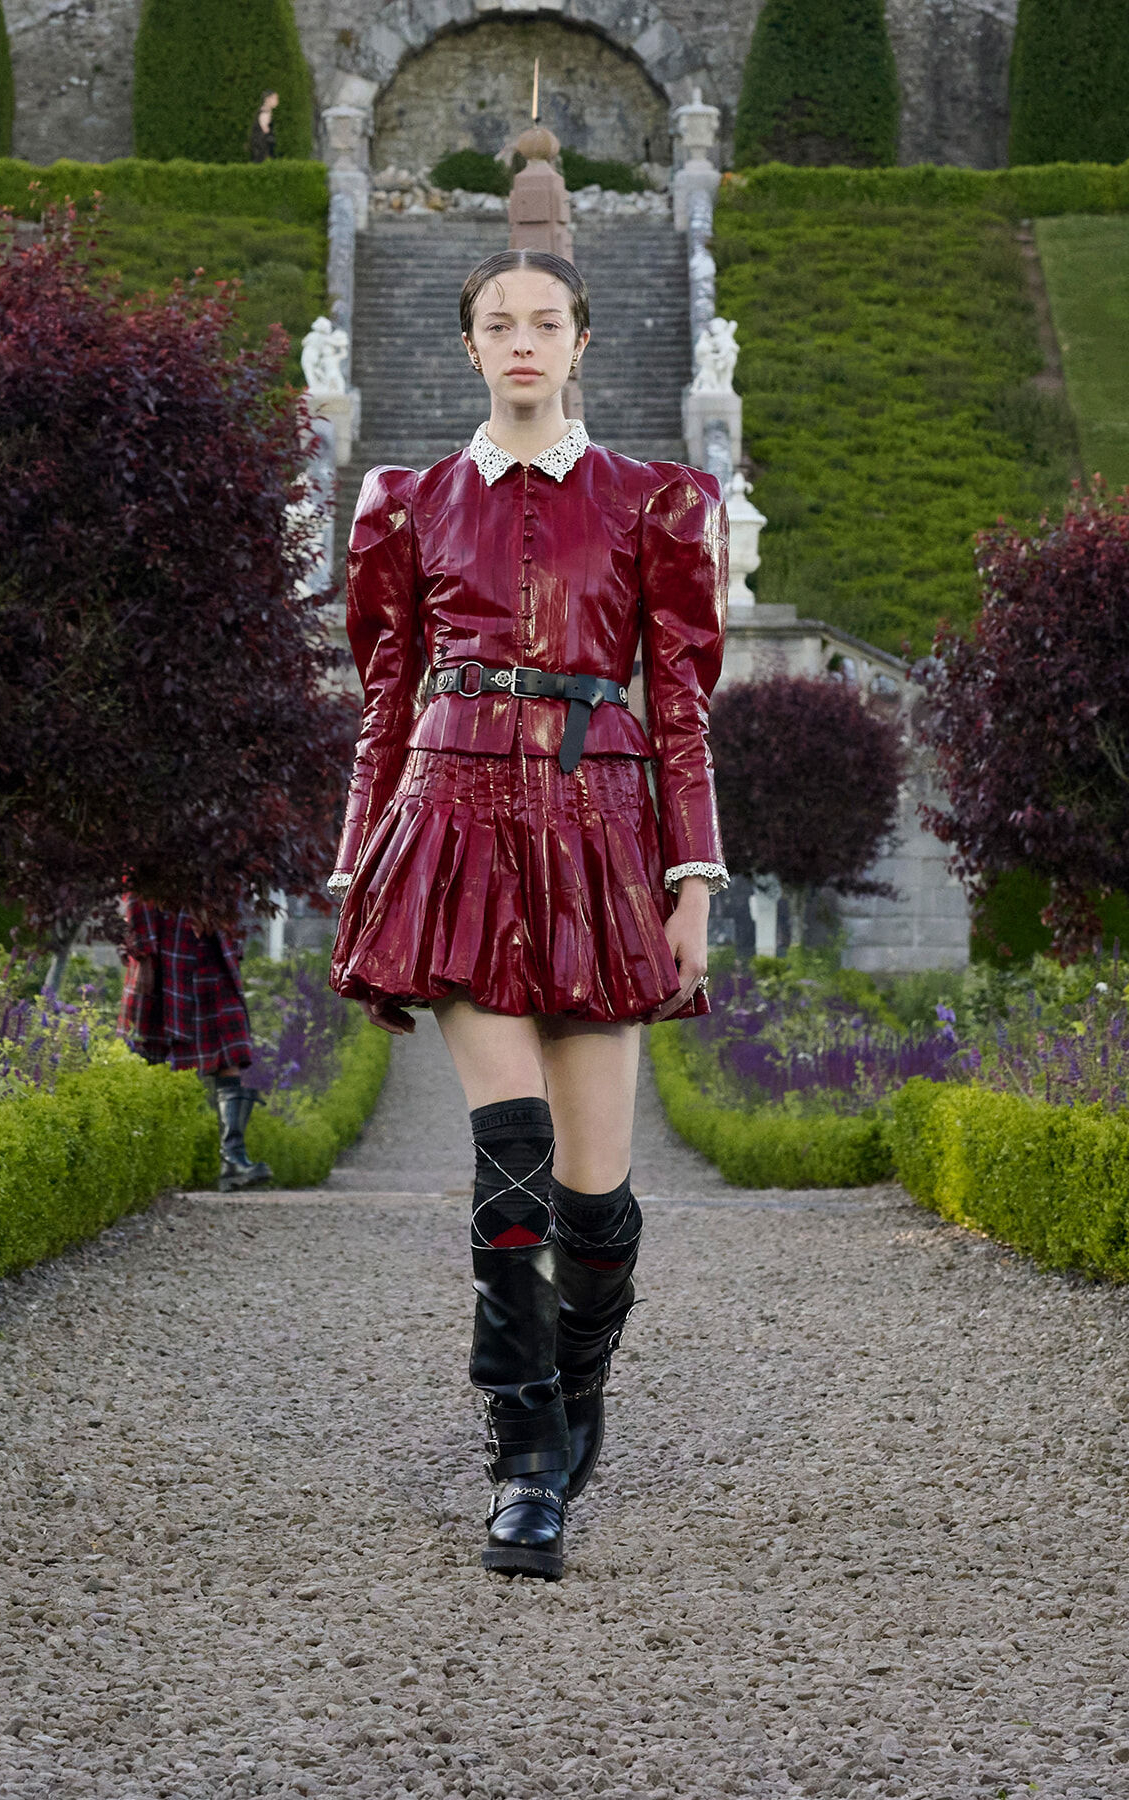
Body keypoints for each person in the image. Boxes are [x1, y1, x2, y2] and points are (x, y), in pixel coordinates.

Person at [327, 249, 728, 1579]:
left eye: (544, 321)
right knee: (510, 1161)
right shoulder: (407, 504)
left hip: (601, 843)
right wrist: (359, 864)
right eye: (497, 322)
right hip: (452, 831)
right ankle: (524, 1458)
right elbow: (385, 700)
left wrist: (694, 880)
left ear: (580, 341)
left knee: (595, 1203)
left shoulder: (655, 501)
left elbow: (682, 704)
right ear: (468, 344)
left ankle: (578, 1383)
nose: (520, 340)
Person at [117, 898, 273, 1194]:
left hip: (212, 951)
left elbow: (233, 887)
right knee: (151, 1053)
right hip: (167, 952)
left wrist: (230, 934)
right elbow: (138, 892)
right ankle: (144, 1163)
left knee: (231, 1048)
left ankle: (233, 1160)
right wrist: (144, 953)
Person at [250, 91, 278, 164]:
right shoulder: (265, 112)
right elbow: (265, 129)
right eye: (274, 98)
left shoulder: (266, 111)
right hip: (263, 145)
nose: (277, 101)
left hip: (261, 144)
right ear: (267, 99)